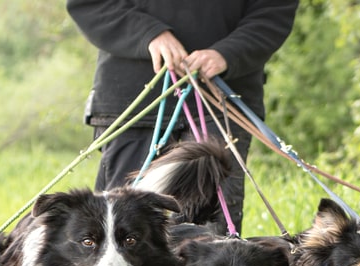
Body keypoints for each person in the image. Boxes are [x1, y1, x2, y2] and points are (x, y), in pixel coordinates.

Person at [67, 0, 299, 234]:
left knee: (210, 236)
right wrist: (149, 34)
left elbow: (274, 10)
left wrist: (227, 53)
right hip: (133, 104)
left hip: (221, 102)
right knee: (123, 230)